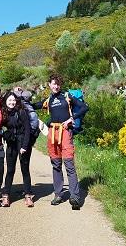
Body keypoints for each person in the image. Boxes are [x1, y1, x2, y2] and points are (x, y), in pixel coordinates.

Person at [33, 74, 88, 209]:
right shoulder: (49, 100)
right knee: (56, 164)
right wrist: (21, 101)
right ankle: (58, 194)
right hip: (53, 133)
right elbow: (35, 105)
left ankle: (75, 197)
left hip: (65, 132)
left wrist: (72, 118)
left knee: (69, 163)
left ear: (60, 85)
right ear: (49, 85)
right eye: (53, 84)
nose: (56, 86)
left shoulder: (67, 96)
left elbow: (84, 107)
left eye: (58, 84)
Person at [0, 90, 33, 207]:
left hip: (22, 141)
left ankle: (28, 195)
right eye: (9, 100)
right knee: (10, 170)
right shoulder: (4, 113)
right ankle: (6, 196)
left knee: (25, 169)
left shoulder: (22, 112)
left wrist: (24, 146)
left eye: (14, 100)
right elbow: (0, 127)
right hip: (11, 143)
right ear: (5, 101)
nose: (12, 102)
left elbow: (28, 129)